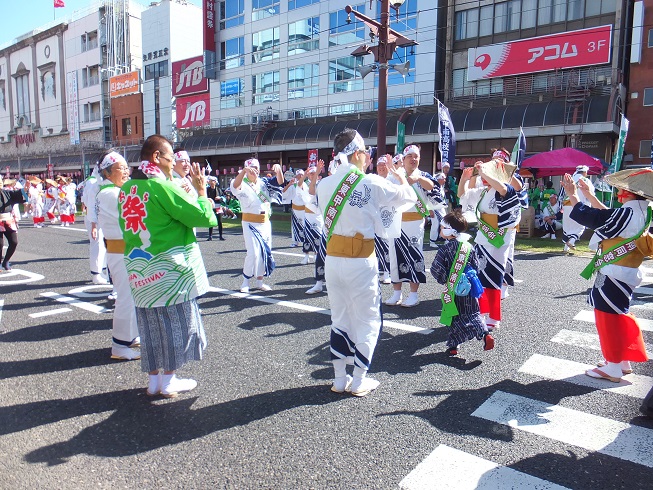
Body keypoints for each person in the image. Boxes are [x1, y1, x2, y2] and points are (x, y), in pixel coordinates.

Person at [311, 128, 416, 396]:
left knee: (340, 317)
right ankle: (358, 379)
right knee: (368, 319)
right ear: (357, 154)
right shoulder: (371, 183)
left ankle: (338, 378)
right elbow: (409, 197)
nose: (369, 157)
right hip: (361, 261)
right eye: (367, 152)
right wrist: (399, 174)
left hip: (333, 259)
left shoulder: (323, 184)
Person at [118, 135, 217, 398]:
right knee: (178, 324)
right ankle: (170, 380)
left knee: (150, 327)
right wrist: (201, 191)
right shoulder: (162, 186)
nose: (173, 164)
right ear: (156, 157)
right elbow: (204, 217)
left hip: (140, 268)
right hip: (170, 270)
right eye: (171, 158)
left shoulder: (127, 189)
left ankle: (154, 382)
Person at [561, 169, 653, 382]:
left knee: (607, 317)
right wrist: (590, 196)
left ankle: (612, 366)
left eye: (621, 190)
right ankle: (621, 360)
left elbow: (594, 218)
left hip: (614, 272)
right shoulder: (641, 211)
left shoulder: (628, 213)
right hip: (624, 271)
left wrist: (574, 195)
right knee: (617, 314)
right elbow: (609, 219)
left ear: (629, 193)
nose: (619, 193)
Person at [93, 151, 140, 360]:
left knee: (131, 297)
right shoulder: (113, 194)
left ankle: (130, 336)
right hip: (121, 252)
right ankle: (120, 346)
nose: (126, 171)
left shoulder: (109, 192)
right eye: (121, 168)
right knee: (126, 298)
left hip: (122, 251)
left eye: (126, 167)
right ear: (108, 172)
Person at [465, 158, 520, 330]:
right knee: (480, 275)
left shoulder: (506, 188)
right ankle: (481, 311)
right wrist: (471, 176)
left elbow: (503, 190)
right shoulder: (483, 192)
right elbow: (465, 195)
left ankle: (494, 316)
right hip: (483, 236)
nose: (485, 177)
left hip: (499, 238)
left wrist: (484, 173)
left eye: (489, 173)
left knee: (494, 277)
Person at [430, 210, 494, 356]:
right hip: (470, 287)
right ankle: (485, 333)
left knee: (454, 314)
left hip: (454, 288)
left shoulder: (445, 249)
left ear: (448, 231)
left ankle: (454, 346)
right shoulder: (469, 247)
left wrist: (446, 278)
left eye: (441, 228)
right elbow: (476, 266)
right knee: (474, 312)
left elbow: (436, 268)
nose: (440, 230)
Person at [385, 144, 435, 308]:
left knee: (414, 255)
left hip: (415, 222)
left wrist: (418, 179)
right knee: (395, 256)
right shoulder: (394, 175)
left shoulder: (423, 175)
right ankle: (396, 293)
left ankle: (413, 294)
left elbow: (432, 186)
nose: (413, 159)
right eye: (410, 156)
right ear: (404, 159)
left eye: (416, 156)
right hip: (396, 223)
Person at [230, 158, 284, 293]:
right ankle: (245, 281)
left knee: (263, 253)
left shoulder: (264, 182)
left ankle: (260, 281)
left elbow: (280, 181)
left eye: (257, 167)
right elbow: (235, 186)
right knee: (253, 253)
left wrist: (279, 170)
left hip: (265, 222)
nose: (255, 170)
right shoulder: (242, 182)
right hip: (249, 223)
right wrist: (243, 172)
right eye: (252, 167)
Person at [296, 163, 327, 294]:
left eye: (314, 173)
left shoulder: (324, 184)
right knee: (308, 239)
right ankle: (307, 258)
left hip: (319, 217)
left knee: (320, 245)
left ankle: (324, 280)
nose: (312, 175)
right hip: (308, 215)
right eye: (310, 173)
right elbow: (300, 186)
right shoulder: (304, 183)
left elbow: (314, 191)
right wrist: (304, 175)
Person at [81, 169, 108, 284]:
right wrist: (94, 224)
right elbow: (91, 204)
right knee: (97, 244)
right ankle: (96, 274)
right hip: (94, 217)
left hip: (100, 216)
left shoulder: (93, 181)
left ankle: (102, 271)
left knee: (103, 244)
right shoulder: (94, 182)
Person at [562, 165, 593, 252]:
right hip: (577, 205)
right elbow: (590, 194)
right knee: (580, 226)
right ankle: (571, 241)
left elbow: (562, 193)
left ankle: (566, 248)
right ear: (584, 172)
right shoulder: (585, 180)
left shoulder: (570, 179)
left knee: (568, 227)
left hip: (567, 205)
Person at [0, 181, 26, 270]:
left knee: (14, 242)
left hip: (8, 219)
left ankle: (6, 260)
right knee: (0, 244)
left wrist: (25, 189)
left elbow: (21, 197)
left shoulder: (7, 192)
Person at [428, 172, 448, 247]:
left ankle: (445, 239)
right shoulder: (433, 187)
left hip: (441, 208)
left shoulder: (441, 187)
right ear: (439, 179)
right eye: (443, 179)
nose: (445, 180)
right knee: (435, 225)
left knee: (444, 223)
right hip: (435, 209)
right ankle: (432, 241)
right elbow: (429, 198)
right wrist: (430, 210)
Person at [206, 176, 225, 241]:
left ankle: (220, 236)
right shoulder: (207, 189)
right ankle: (210, 236)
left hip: (218, 206)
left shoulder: (218, 189)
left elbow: (224, 198)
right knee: (210, 221)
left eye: (212, 181)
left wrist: (220, 198)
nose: (211, 182)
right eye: (210, 181)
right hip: (210, 207)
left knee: (219, 221)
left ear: (215, 182)